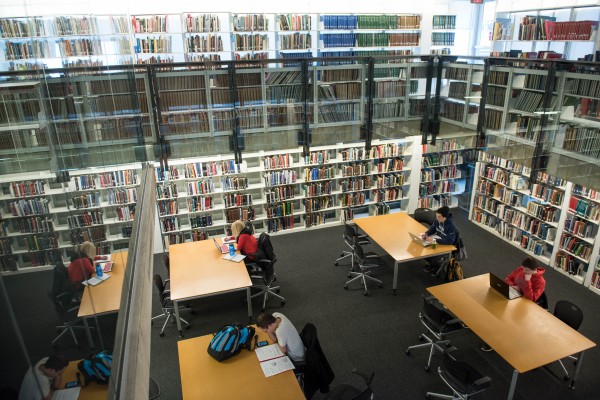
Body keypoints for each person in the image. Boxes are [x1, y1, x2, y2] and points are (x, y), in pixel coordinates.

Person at [482, 257, 547, 352]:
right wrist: (513, 286)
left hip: (525, 305)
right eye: (523, 268)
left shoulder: (540, 281)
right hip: (514, 296)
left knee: (504, 318)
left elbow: (532, 298)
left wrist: (528, 281)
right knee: (492, 306)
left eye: (527, 270)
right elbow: (508, 278)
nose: (524, 271)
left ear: (535, 270)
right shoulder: (521, 269)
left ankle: (496, 340)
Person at [421, 206, 457, 274]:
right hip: (438, 240)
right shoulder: (437, 220)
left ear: (445, 217)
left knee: (430, 254)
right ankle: (432, 265)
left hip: (445, 244)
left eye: (439, 217)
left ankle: (435, 266)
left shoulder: (451, 225)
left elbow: (450, 241)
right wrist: (427, 233)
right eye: (436, 216)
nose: (437, 219)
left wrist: (435, 240)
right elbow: (433, 227)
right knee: (424, 249)